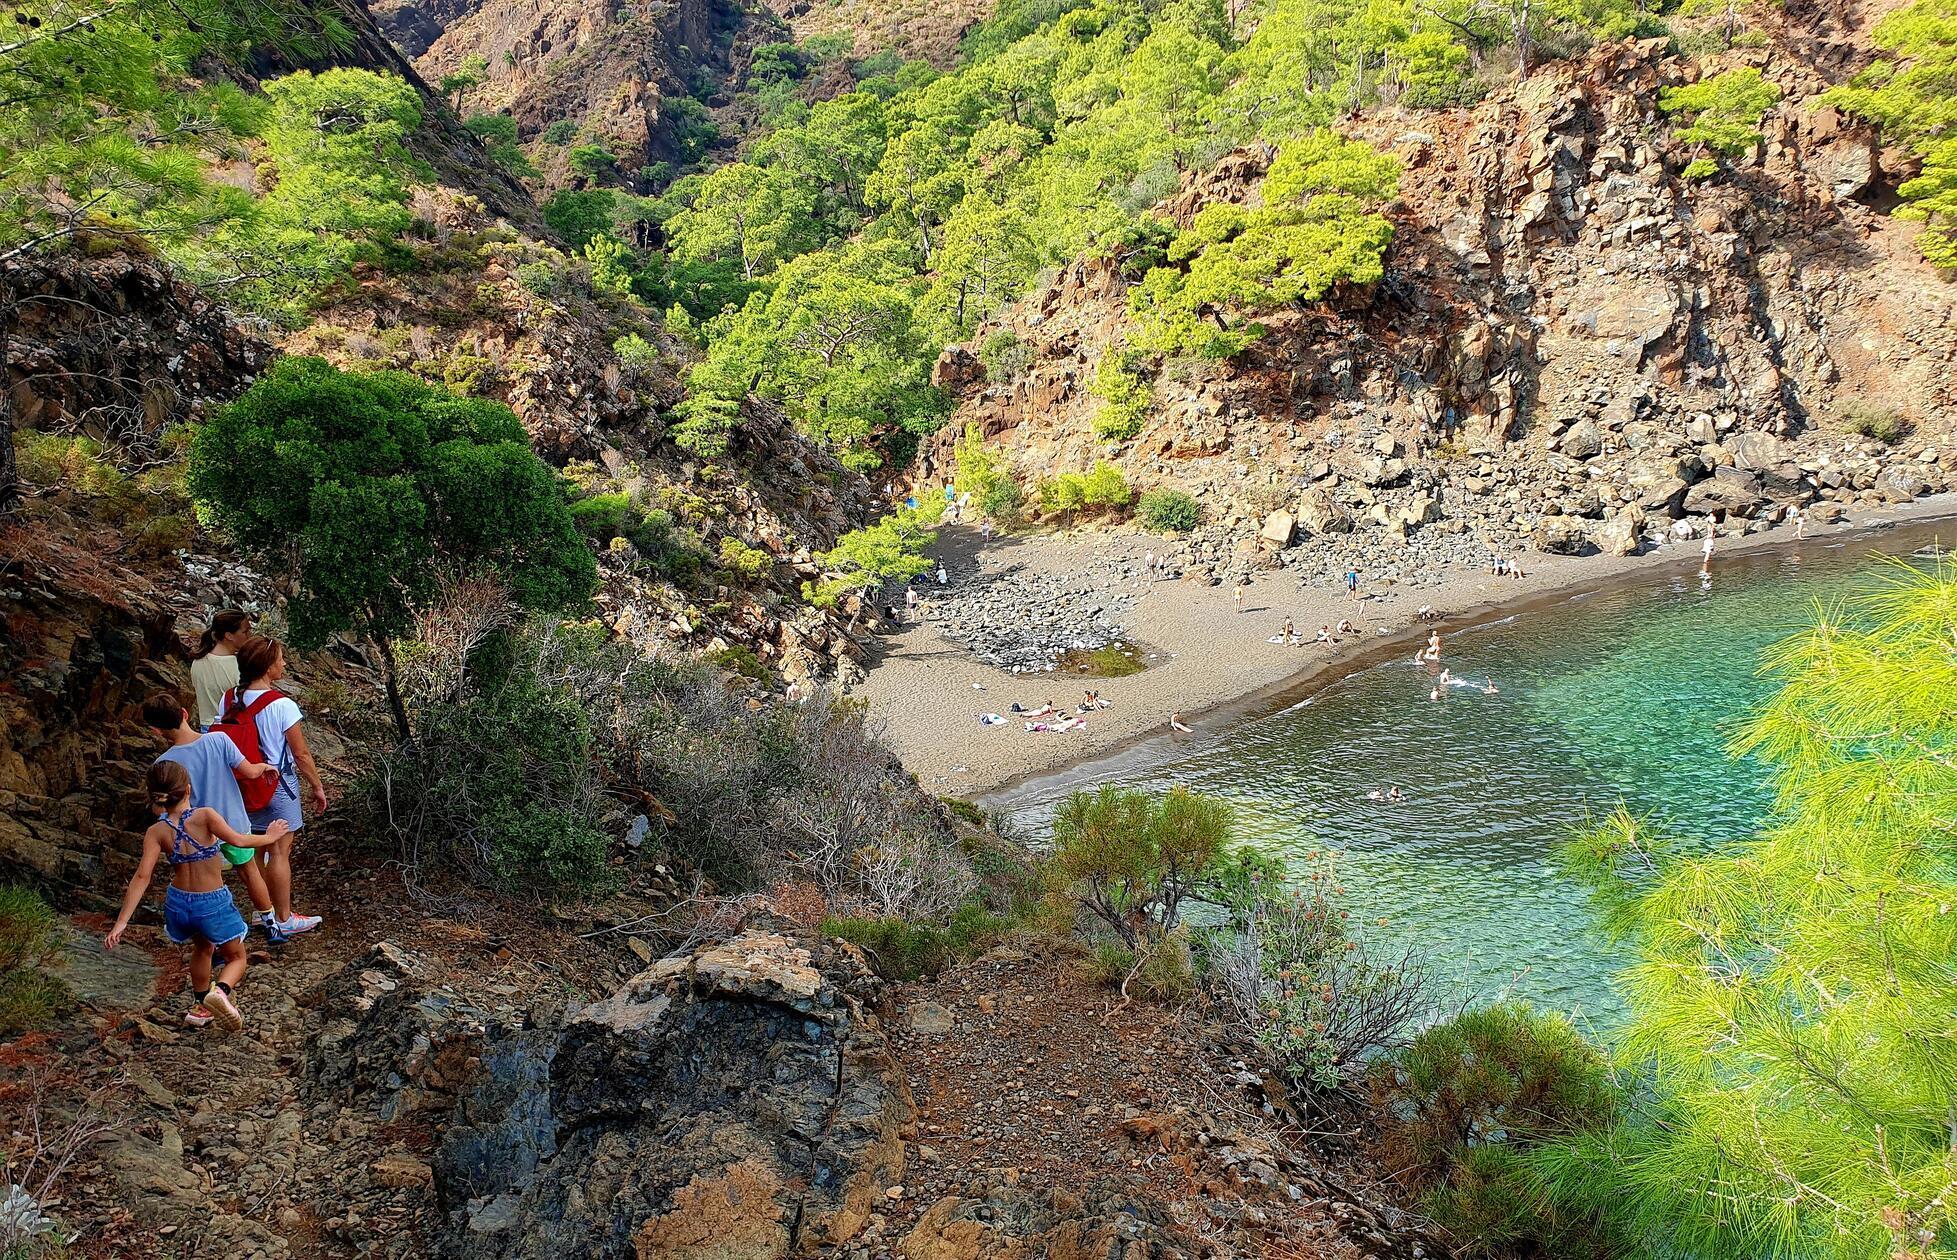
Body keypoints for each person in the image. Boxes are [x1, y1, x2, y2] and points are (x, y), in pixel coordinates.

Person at [105, 761, 289, 1029]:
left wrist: (121, 922)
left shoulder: (156, 832)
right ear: (188, 790)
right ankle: (220, 992)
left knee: (202, 948)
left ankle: (200, 1006)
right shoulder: (205, 817)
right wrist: (270, 837)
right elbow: (239, 840)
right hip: (211, 901)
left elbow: (142, 877)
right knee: (237, 956)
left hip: (178, 903)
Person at [143, 692, 284, 941]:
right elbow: (250, 772)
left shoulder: (163, 764)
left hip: (198, 833)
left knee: (210, 879)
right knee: (249, 872)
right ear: (184, 713)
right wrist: (264, 767)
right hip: (234, 823)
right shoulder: (218, 739)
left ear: (155, 730)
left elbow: (163, 808)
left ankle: (214, 931)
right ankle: (271, 924)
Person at [225, 637, 325, 937]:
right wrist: (317, 787)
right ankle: (283, 917)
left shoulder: (228, 699)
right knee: (279, 851)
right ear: (267, 667)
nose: (283, 663)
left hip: (242, 783)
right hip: (277, 783)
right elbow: (301, 754)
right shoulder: (282, 705)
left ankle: (262, 912)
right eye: (280, 659)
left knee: (255, 848)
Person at [189, 610, 252, 730]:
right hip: (231, 728)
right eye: (245, 632)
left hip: (205, 725)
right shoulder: (239, 666)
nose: (250, 635)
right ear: (229, 636)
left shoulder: (197, 661)